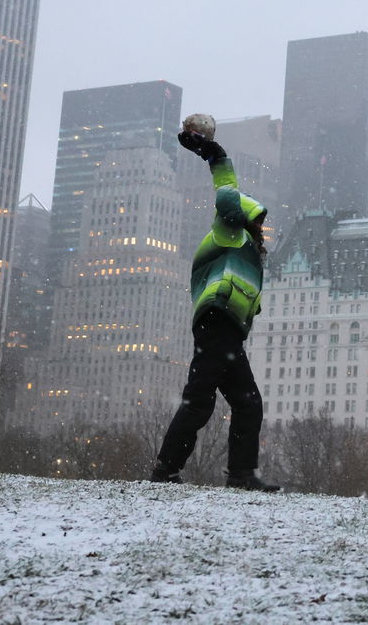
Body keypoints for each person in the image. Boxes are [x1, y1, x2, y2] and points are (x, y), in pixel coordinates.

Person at [149, 125, 279, 492]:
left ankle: (240, 474)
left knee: (246, 402)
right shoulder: (230, 231)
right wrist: (215, 154)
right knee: (200, 401)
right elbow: (226, 199)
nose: (262, 228)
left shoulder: (246, 251)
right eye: (260, 221)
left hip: (225, 331)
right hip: (217, 322)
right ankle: (165, 472)